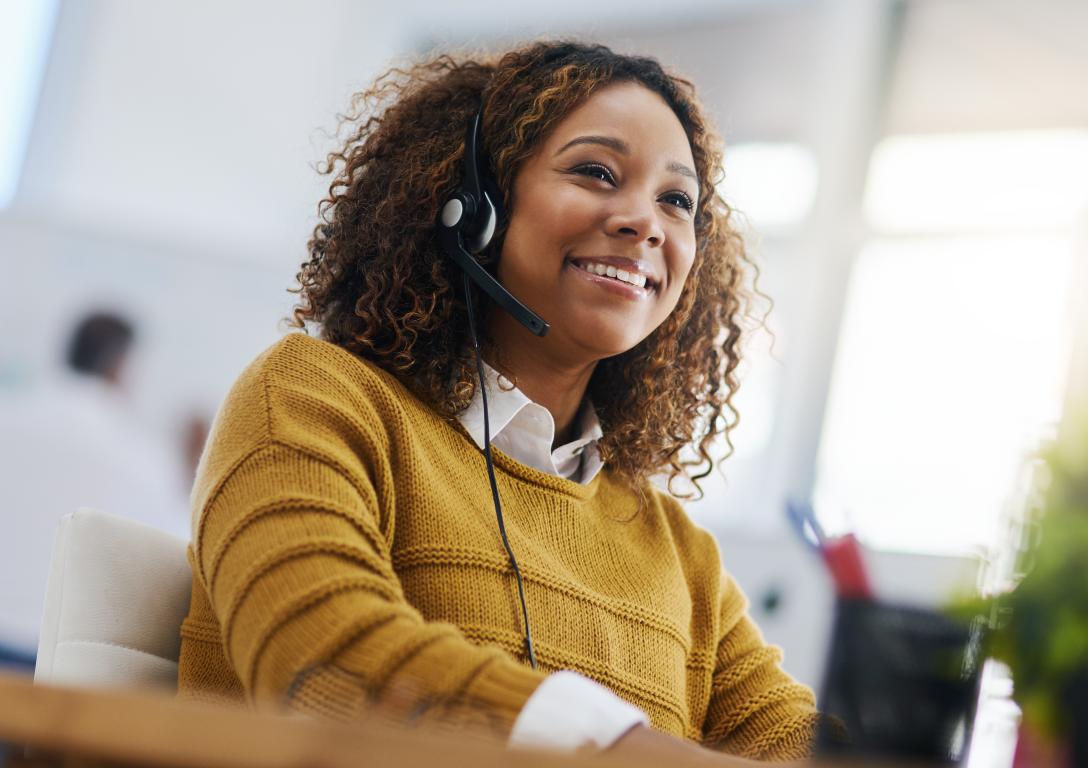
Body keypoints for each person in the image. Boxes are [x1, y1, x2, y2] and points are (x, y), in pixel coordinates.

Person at [178, 42, 819, 762]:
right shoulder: (314, 397)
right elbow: (322, 657)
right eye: (595, 172)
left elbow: (796, 744)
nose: (644, 221)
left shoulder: (675, 546)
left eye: (677, 200)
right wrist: (617, 748)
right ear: (471, 206)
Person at [0, 311, 189, 667]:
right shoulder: (140, 456)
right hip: (49, 658)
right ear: (120, 366)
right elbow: (173, 553)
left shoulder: (8, 414)